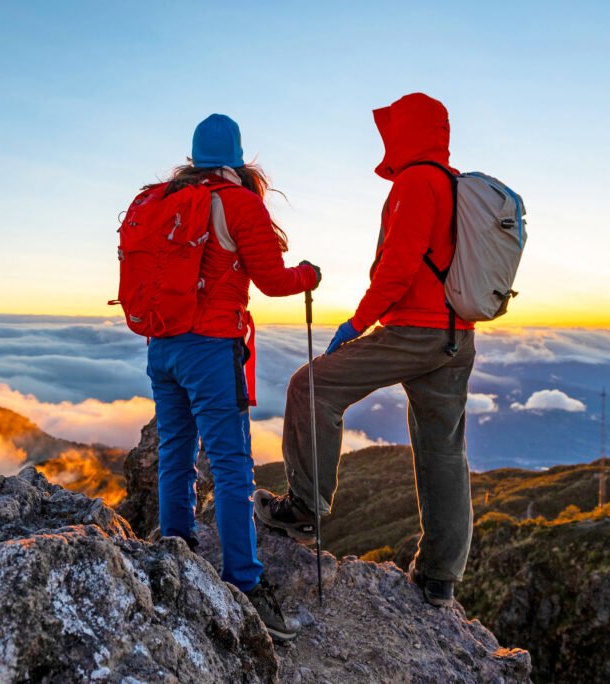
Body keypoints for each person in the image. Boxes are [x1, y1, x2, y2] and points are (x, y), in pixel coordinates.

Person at [253, 93, 476, 608]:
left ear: (407, 132)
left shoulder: (416, 181)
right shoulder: (452, 182)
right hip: (455, 335)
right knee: (444, 451)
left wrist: (356, 322)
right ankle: (440, 578)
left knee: (311, 386)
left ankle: (304, 509)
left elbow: (398, 265)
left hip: (413, 332)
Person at [144, 114, 320, 642]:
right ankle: (244, 584)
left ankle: (175, 547)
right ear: (237, 157)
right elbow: (270, 280)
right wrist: (308, 276)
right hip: (211, 348)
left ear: (194, 157)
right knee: (232, 465)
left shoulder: (163, 201)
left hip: (161, 345)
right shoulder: (240, 203)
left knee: (176, 448)